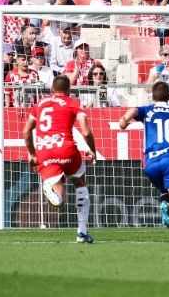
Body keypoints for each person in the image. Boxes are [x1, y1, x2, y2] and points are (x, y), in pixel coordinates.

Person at [23, 75, 97, 243]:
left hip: (45, 152)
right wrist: (92, 150)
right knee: (80, 184)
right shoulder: (73, 103)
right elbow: (85, 132)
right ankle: (82, 232)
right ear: (69, 90)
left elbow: (26, 131)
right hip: (67, 150)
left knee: (60, 199)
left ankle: (51, 191)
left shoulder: (39, 105)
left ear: (51, 89)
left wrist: (32, 153)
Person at [119, 81, 169, 243]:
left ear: (152, 96)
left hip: (150, 163)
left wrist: (125, 119)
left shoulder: (148, 110)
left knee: (164, 185)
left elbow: (134, 110)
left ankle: (164, 203)